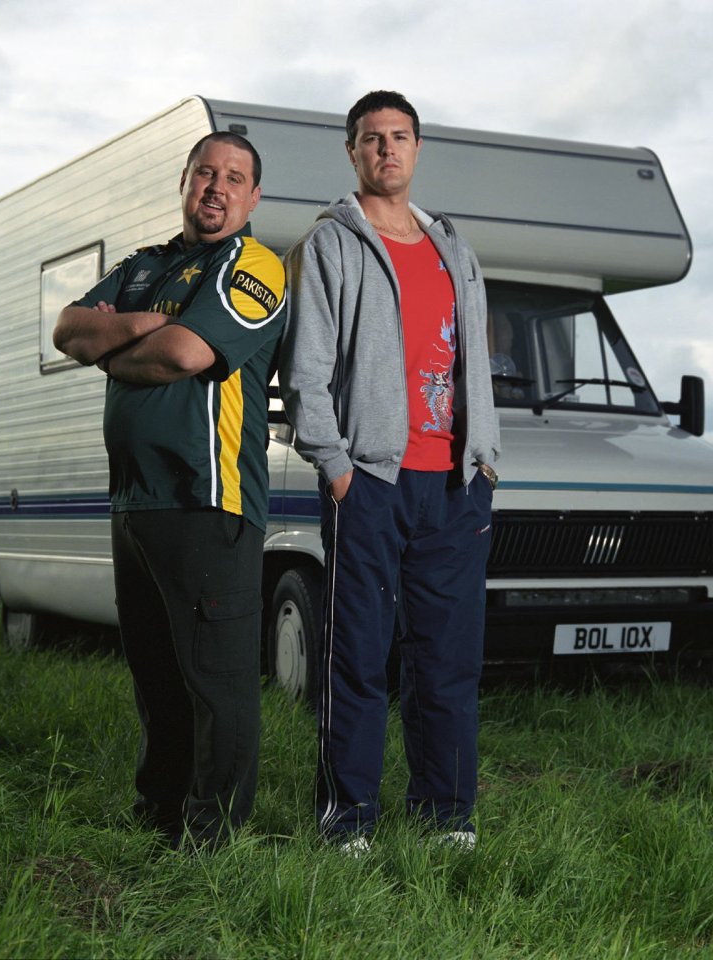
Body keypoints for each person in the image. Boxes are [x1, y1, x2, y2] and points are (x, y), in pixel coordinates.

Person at [279, 91, 500, 853]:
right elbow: (304, 368)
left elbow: (474, 358)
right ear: (352, 152)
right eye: (371, 138)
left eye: (399, 136)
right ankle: (349, 821)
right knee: (359, 655)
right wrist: (336, 466)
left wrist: (486, 457)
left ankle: (447, 816)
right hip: (370, 479)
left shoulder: (453, 247)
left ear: (417, 147)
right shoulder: (331, 244)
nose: (386, 150)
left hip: (453, 484)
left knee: (447, 660)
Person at [53, 132, 286, 848]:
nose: (216, 187)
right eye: (205, 173)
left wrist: (115, 349)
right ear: (184, 181)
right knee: (156, 674)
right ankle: (159, 814)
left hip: (206, 499)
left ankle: (214, 836)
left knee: (215, 681)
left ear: (252, 197)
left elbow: (187, 352)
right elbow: (68, 329)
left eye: (234, 178)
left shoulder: (256, 264)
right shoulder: (143, 266)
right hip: (135, 501)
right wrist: (146, 324)